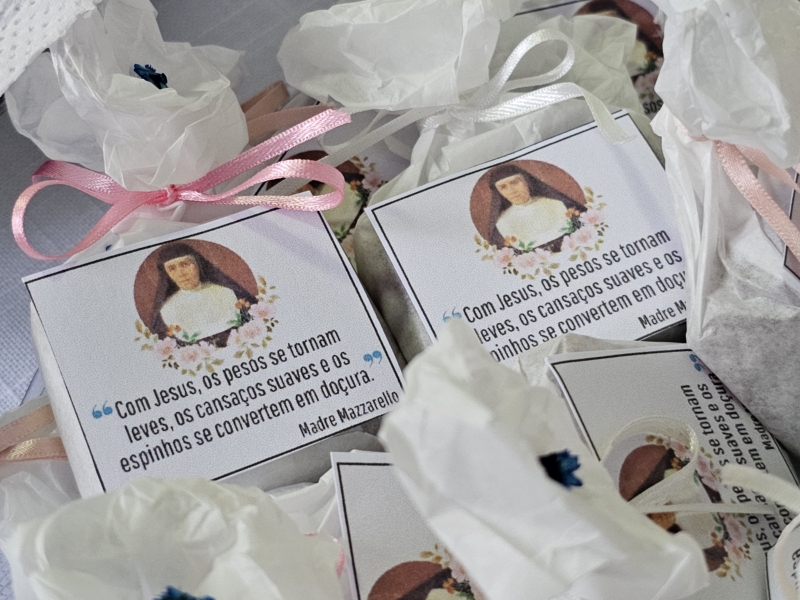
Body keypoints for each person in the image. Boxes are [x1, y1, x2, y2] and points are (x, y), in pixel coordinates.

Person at [150, 243, 257, 345]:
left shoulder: (228, 293)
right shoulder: (166, 310)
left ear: (198, 265)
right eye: (172, 269)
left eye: (185, 264)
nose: (181, 273)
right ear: (167, 274)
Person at [485, 163, 586, 252]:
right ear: (499, 193)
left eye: (514, 183)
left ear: (526, 182)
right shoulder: (502, 222)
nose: (512, 191)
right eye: (503, 187)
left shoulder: (557, 204)